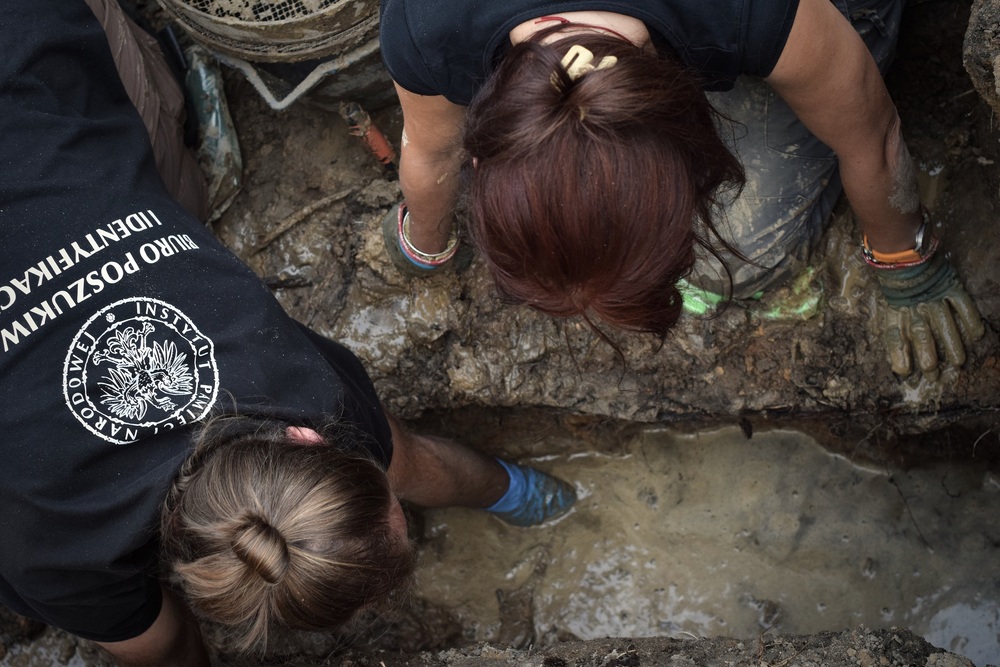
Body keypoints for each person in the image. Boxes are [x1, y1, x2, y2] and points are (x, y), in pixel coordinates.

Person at [0, 3, 576, 665]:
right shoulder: (43, 544)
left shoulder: (287, 384)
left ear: (306, 438)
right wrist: (518, 492)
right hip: (32, 70)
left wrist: (521, 492)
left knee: (162, 152)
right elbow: (170, 647)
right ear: (306, 434)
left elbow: (168, 650)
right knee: (161, 161)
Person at [378, 0, 985, 381]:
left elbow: (873, 136)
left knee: (738, 264)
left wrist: (907, 257)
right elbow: (430, 149)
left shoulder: (752, 12)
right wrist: (425, 245)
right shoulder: (431, 23)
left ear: (697, 132)